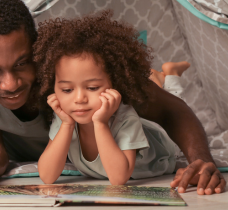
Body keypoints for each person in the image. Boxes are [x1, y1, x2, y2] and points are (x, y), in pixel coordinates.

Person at [0, 0, 225, 196]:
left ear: (37, 48)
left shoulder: (68, 72)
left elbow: (171, 110)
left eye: (23, 63)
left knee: (155, 86)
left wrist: (200, 158)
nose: (11, 83)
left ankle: (164, 74)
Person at [35, 11, 189, 185]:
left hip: (165, 147)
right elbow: (47, 176)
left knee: (174, 100)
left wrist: (100, 124)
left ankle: (171, 75)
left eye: (92, 88)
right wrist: (67, 125)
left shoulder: (125, 118)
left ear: (115, 84)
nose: (79, 98)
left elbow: (118, 178)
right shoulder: (65, 117)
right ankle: (159, 77)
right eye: (67, 89)